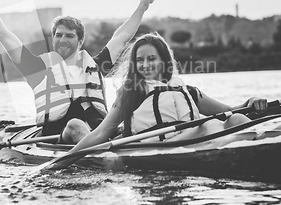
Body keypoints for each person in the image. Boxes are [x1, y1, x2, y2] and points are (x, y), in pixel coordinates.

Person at [0, 0, 156, 144]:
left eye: (69, 36)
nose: (62, 40)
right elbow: (2, 33)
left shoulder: (95, 65)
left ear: (80, 41)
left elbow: (121, 37)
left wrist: (142, 7)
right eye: (58, 35)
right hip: (60, 134)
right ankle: (102, 156)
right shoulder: (36, 68)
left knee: (132, 121)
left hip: (101, 131)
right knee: (75, 125)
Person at [64, 33, 268, 157]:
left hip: (193, 140)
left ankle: (264, 147)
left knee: (239, 118)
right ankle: (68, 135)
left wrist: (251, 102)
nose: (145, 65)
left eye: (151, 59)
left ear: (164, 61)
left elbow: (231, 112)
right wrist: (66, 159)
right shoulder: (131, 92)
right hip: (152, 147)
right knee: (75, 124)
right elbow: (102, 133)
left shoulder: (185, 90)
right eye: (140, 60)